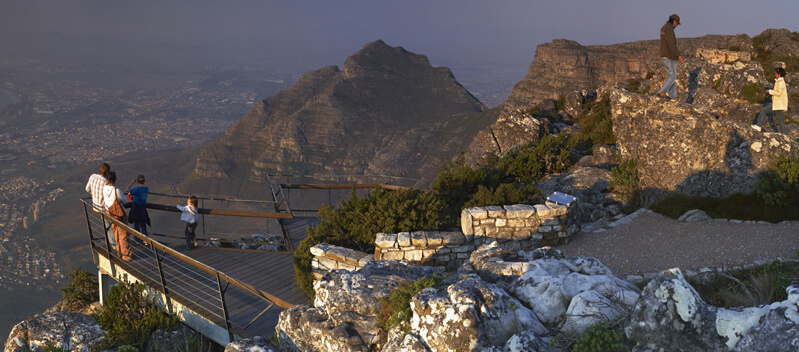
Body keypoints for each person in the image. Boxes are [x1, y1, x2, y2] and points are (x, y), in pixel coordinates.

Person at [103, 172, 132, 261]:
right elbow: (124, 201)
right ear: (115, 179)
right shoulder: (116, 190)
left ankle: (119, 253)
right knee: (123, 235)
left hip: (110, 213)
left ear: (107, 179)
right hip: (119, 215)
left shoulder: (104, 189)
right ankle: (126, 256)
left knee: (115, 233)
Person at [656, 14, 683, 100]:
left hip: (666, 55)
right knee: (673, 76)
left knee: (672, 76)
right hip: (669, 55)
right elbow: (671, 44)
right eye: (677, 23)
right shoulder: (669, 29)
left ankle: (673, 96)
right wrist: (678, 55)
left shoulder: (664, 27)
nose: (677, 25)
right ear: (674, 21)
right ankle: (662, 91)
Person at [755, 67, 789, 134]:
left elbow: (779, 93)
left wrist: (770, 91)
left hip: (778, 103)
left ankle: (758, 126)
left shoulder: (780, 82)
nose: (775, 74)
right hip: (779, 104)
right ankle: (784, 134)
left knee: (764, 110)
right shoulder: (780, 82)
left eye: (776, 73)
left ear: (779, 74)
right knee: (781, 120)